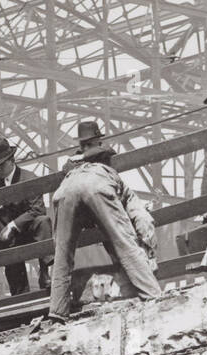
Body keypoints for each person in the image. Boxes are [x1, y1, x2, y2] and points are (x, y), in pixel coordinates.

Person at [46, 121, 161, 321]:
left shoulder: (71, 164)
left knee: (62, 255)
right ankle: (153, 296)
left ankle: (57, 312)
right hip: (97, 185)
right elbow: (141, 219)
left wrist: (81, 157)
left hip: (64, 191)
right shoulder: (117, 180)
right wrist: (149, 249)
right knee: (125, 242)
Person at [0, 136, 54, 294]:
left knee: (43, 221)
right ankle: (21, 299)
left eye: (1, 165)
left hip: (27, 233)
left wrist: (13, 225)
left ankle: (45, 272)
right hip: (7, 239)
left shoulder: (28, 178)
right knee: (17, 286)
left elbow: (38, 210)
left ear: (11, 160)